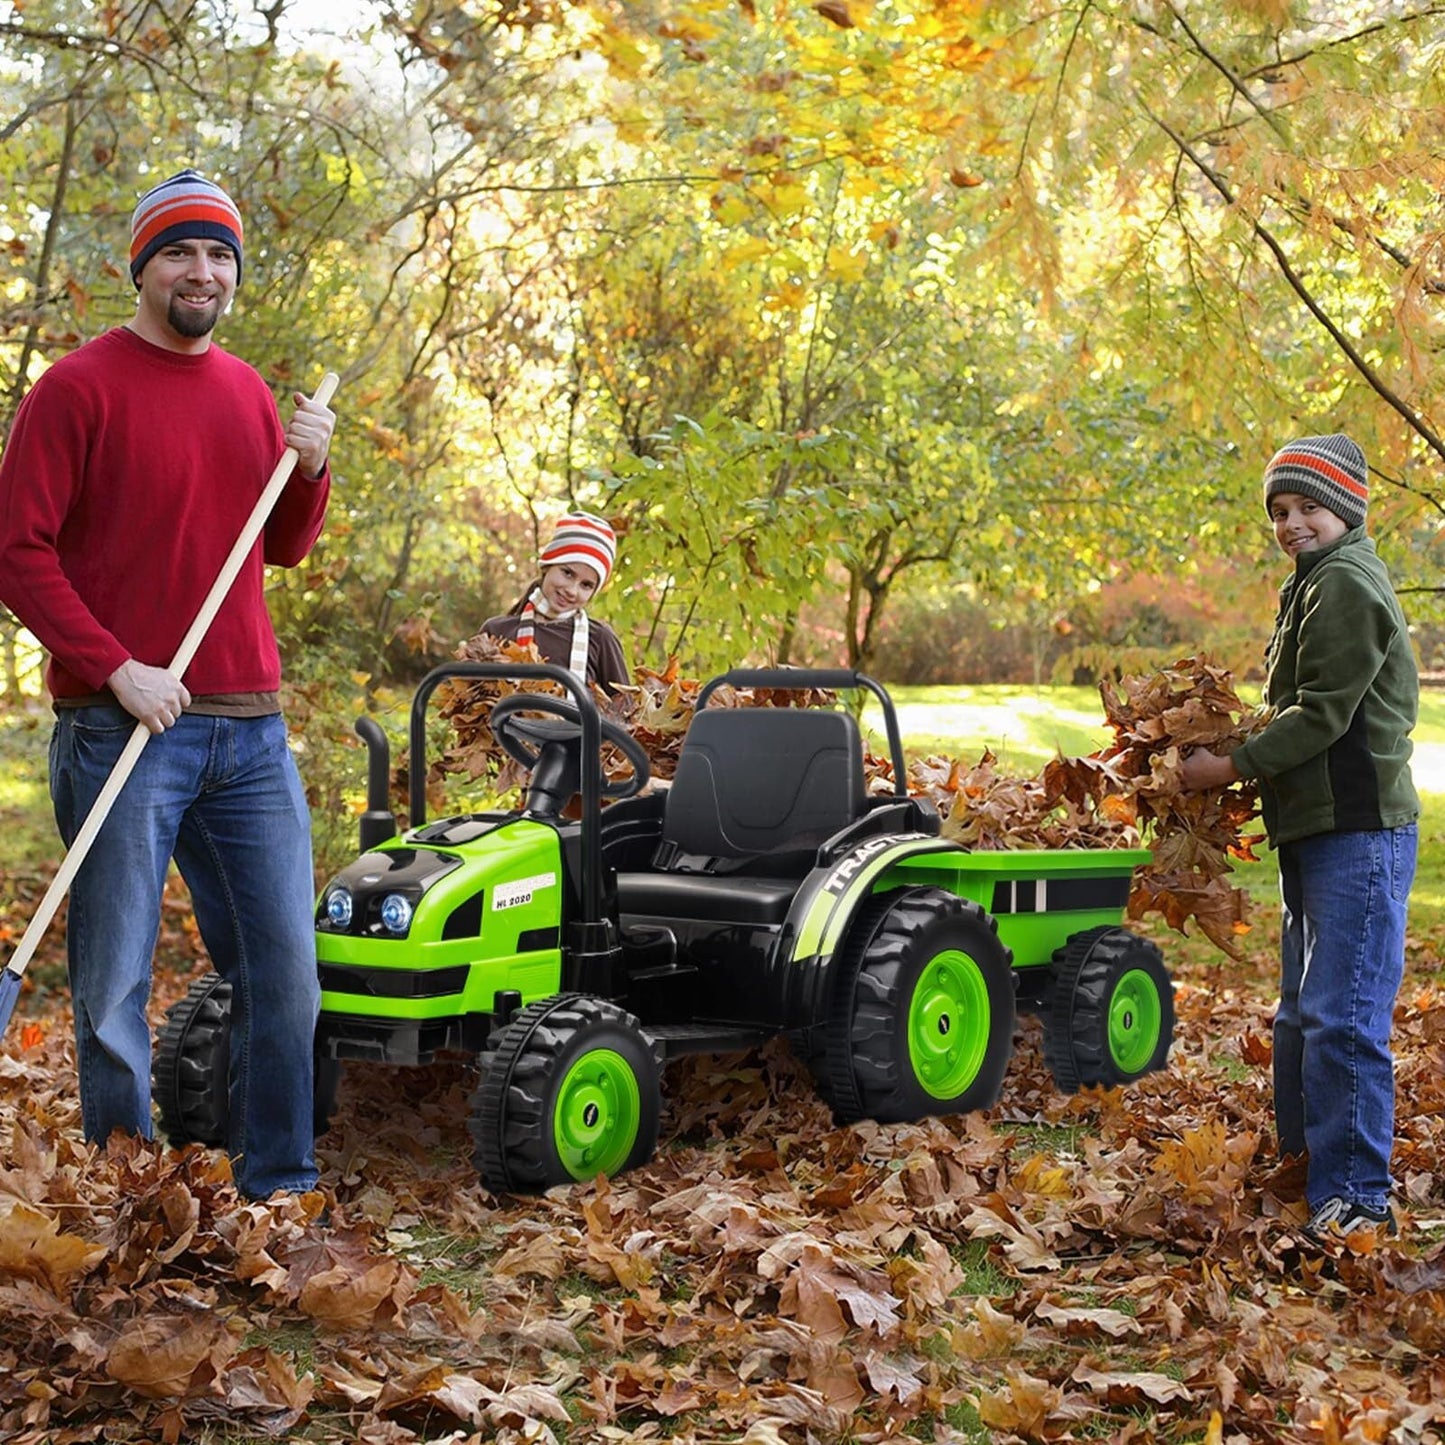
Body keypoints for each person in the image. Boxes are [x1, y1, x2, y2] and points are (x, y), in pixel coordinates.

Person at [0, 169, 337, 1201]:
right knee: (112, 989)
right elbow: (17, 550)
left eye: (219, 254)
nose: (203, 271)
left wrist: (312, 470)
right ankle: (126, 1192)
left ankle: (279, 1180)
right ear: (141, 267)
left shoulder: (243, 391)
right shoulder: (77, 388)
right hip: (119, 729)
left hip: (249, 731)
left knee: (285, 971)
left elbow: (277, 547)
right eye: (181, 253)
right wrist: (115, 667)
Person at [1180, 432, 1418, 1244]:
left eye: (1307, 506)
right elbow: (1291, 704)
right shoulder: (1309, 583)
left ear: (1345, 508)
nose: (1290, 523)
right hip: (1314, 830)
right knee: (1299, 1014)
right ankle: (1302, 1161)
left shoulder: (1347, 582)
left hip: (1358, 829)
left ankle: (1355, 1196)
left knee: (1342, 1015)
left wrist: (1229, 766)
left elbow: (1321, 715)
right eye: (1279, 510)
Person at [480, 511, 631, 693]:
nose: (571, 590)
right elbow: (468, 705)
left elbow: (624, 712)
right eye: (567, 573)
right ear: (547, 566)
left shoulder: (600, 639)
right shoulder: (498, 632)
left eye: (586, 585)